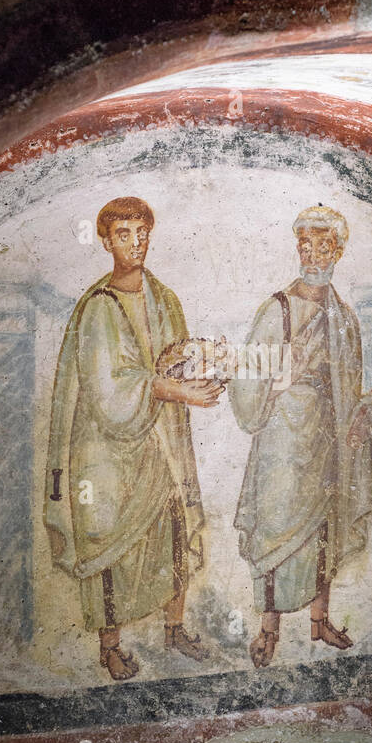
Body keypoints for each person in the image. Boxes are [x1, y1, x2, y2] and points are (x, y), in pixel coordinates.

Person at [45, 197, 223, 681]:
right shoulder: (98, 307)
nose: (135, 242)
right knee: (110, 546)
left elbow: (172, 360)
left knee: (172, 531)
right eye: (124, 233)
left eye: (142, 231)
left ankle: (174, 627)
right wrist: (173, 387)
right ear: (106, 241)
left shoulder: (164, 298)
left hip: (159, 443)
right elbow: (108, 392)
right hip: (105, 453)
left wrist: (202, 367)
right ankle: (110, 646)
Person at [229, 205, 372, 668]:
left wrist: (370, 405)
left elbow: (347, 391)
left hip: (327, 438)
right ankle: (269, 630)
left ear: (338, 250)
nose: (311, 252)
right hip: (283, 438)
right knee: (275, 529)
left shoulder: (344, 317)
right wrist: (279, 382)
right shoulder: (277, 310)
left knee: (325, 525)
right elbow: (247, 381)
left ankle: (319, 620)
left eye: (322, 244)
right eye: (304, 243)